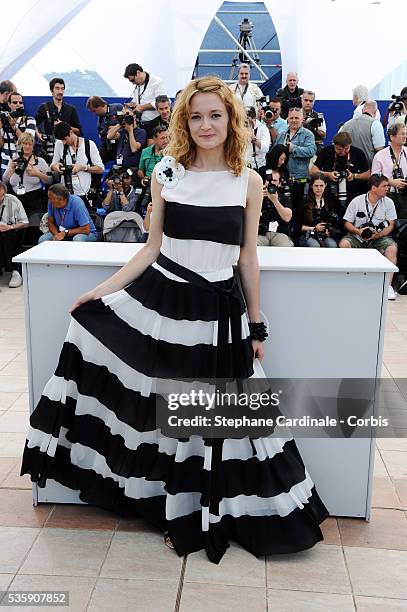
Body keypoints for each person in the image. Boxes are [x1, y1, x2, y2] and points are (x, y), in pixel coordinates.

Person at [21, 75, 327, 564]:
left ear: (232, 120)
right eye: (196, 115)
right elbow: (151, 248)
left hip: (218, 317)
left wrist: (256, 324)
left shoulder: (248, 181)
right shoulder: (167, 172)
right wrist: (100, 292)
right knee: (164, 418)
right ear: (185, 121)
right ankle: (173, 510)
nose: (206, 124)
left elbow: (249, 256)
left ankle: (203, 511)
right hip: (163, 305)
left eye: (215, 115)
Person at [339, 174, 397, 300]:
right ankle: (348, 282)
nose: (388, 188)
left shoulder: (389, 202)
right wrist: (358, 231)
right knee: (344, 244)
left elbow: (391, 224)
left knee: (392, 248)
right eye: (384, 186)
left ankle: (387, 286)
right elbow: (347, 222)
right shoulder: (357, 201)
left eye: (388, 186)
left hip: (378, 237)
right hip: (358, 236)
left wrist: (379, 234)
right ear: (374, 188)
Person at [311, 132, 371, 208]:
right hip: (331, 194)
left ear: (350, 144)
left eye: (346, 149)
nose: (342, 152)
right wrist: (327, 174)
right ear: (334, 145)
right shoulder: (326, 151)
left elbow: (368, 174)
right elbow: (312, 171)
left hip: (354, 194)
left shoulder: (358, 153)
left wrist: (354, 176)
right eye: (339, 149)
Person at [51, 122, 104, 206]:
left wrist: (83, 168)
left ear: (71, 132)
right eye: (61, 140)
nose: (64, 142)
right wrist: (56, 167)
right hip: (65, 194)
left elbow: (100, 169)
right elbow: (53, 164)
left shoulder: (89, 145)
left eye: (65, 139)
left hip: (85, 194)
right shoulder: (59, 144)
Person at [274, 107, 316, 210]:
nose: (294, 120)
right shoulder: (282, 135)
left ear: (302, 119)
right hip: (283, 179)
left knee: (297, 210)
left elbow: (311, 151)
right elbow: (274, 151)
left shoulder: (308, 134)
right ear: (287, 119)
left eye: (296, 118)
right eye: (291, 118)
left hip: (299, 180)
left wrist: (294, 149)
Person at [2, 132, 51, 216]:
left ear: (33, 146)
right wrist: (11, 169)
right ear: (19, 145)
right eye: (24, 144)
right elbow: (4, 181)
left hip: (35, 199)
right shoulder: (14, 160)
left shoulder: (39, 161)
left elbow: (50, 180)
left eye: (30, 144)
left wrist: (37, 174)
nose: (27, 146)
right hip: (16, 199)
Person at [35, 77, 82, 162]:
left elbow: (79, 131)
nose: (60, 91)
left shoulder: (71, 109)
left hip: (67, 148)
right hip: (49, 149)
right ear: (51, 90)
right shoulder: (44, 107)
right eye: (57, 88)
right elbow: (34, 124)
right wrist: (39, 135)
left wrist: (65, 126)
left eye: (62, 89)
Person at [371, 123, 407, 218]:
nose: (405, 136)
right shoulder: (380, 156)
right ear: (392, 136)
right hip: (387, 196)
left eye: (406, 134)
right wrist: (390, 182)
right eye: (402, 134)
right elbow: (374, 179)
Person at [297, 174, 342, 247]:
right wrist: (314, 228)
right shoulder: (304, 202)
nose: (319, 188)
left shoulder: (331, 200)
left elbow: (338, 221)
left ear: (325, 185)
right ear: (311, 186)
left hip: (325, 235)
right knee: (314, 245)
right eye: (316, 185)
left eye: (321, 185)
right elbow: (296, 225)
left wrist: (329, 230)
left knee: (332, 245)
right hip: (307, 234)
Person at [123, 63, 166, 137]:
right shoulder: (139, 85)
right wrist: (131, 104)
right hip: (141, 124)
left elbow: (161, 101)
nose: (133, 83)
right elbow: (138, 99)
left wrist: (142, 108)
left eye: (133, 80)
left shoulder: (157, 82)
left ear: (138, 73)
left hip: (154, 124)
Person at [0, 180, 29, 288]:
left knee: (6, 236)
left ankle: (15, 272)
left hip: (12, 231)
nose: (0, 198)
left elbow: (25, 223)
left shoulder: (13, 200)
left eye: (2, 195)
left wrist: (9, 227)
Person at [0, 92, 36, 177]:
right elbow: (1, 144)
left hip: (24, 163)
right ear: (9, 104)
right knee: (6, 189)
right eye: (15, 102)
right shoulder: (4, 120)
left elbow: (28, 141)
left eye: (21, 102)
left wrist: (14, 126)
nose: (18, 105)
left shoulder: (29, 120)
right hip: (6, 164)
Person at [257, 168, 293, 246]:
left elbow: (287, 218)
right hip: (262, 234)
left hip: (279, 233)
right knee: (253, 245)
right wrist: (258, 198)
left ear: (279, 183)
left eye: (275, 181)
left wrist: (275, 201)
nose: (271, 183)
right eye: (269, 180)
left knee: (284, 246)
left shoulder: (284, 198)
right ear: (265, 182)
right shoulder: (258, 196)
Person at [106, 107, 147, 172]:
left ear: (134, 116)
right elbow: (109, 136)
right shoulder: (122, 131)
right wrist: (120, 123)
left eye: (128, 116)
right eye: (124, 116)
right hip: (119, 167)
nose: (126, 118)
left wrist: (130, 130)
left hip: (132, 169)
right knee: (109, 181)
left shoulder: (141, 132)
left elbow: (134, 149)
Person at [86, 96, 124, 163]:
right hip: (109, 145)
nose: (94, 114)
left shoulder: (117, 108)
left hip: (122, 143)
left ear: (100, 106)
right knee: (96, 160)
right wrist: (102, 135)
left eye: (94, 111)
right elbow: (101, 135)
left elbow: (126, 120)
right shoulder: (100, 119)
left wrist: (115, 129)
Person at [245, 106, 270, 172]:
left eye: (248, 119)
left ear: (254, 118)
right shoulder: (239, 128)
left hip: (259, 167)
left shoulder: (263, 128)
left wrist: (254, 139)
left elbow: (266, 148)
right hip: (244, 166)